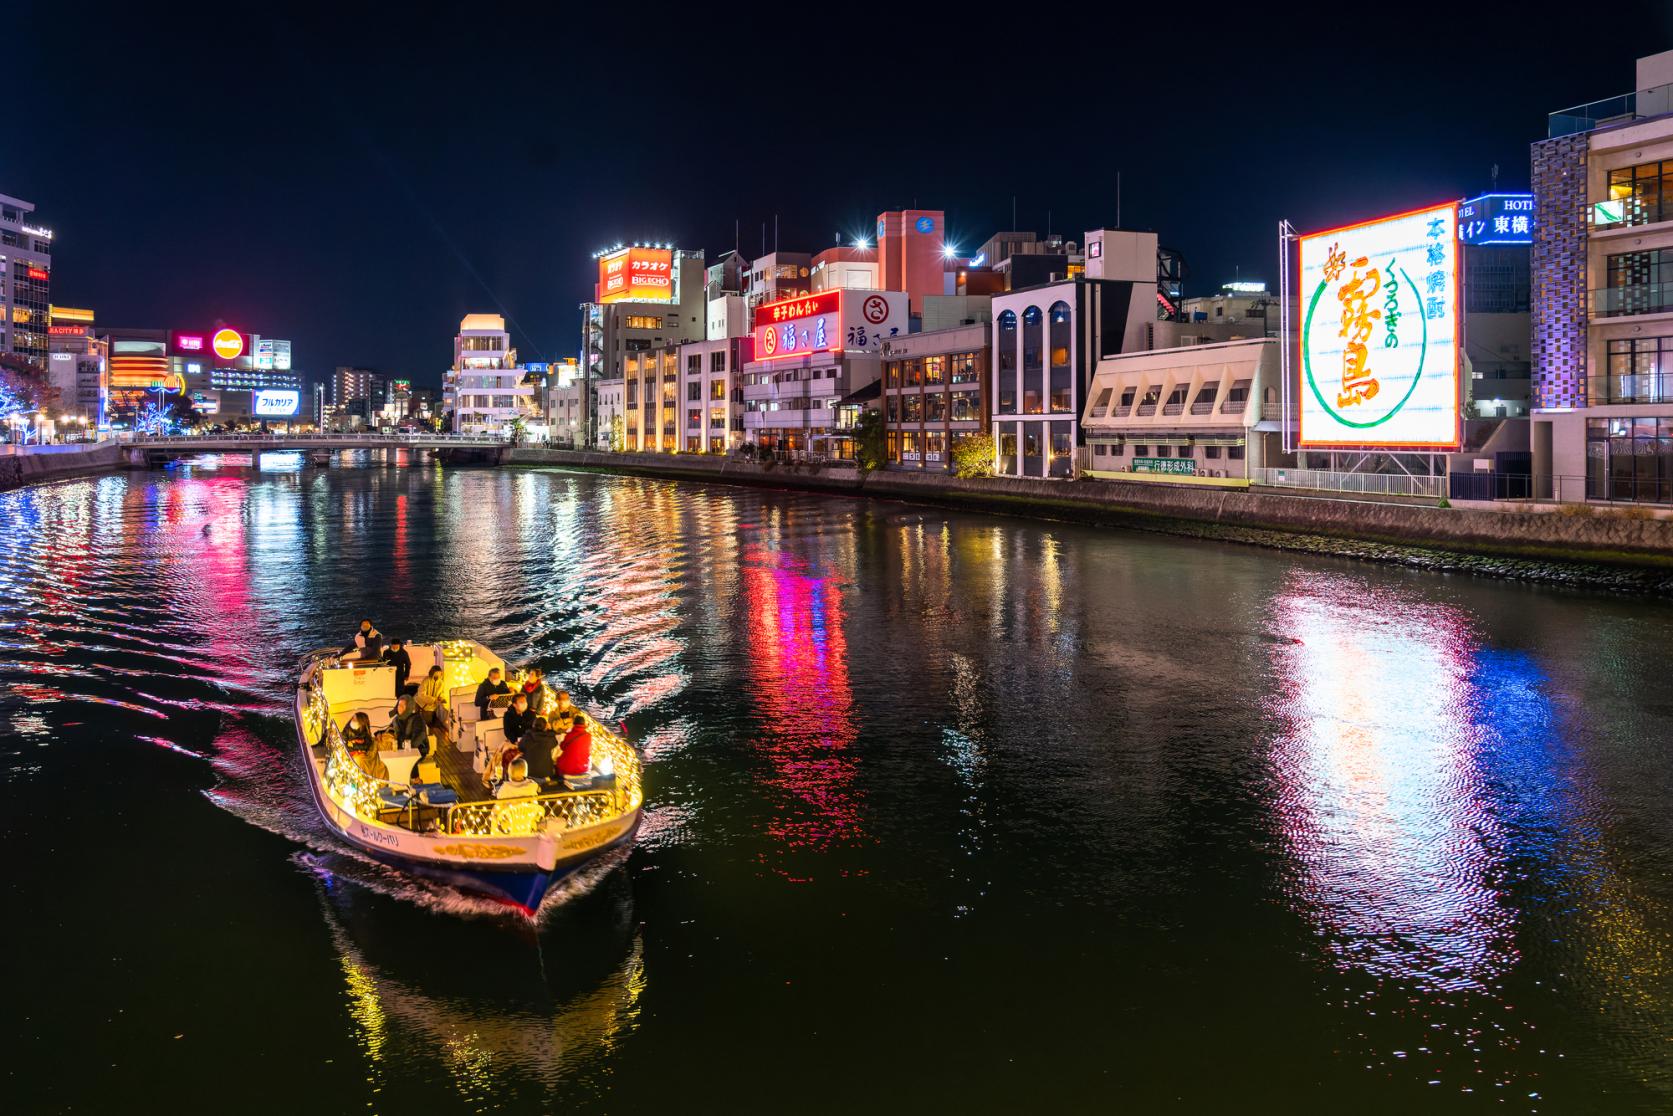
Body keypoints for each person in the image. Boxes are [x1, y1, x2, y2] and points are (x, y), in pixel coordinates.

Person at [520, 715, 561, 783]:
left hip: (529, 771)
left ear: (533, 725)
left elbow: (520, 747)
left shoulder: (527, 737)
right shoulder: (549, 738)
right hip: (544, 772)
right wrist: (550, 729)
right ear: (546, 726)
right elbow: (555, 743)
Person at [387, 694, 430, 760]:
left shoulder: (417, 719)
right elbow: (390, 730)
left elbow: (417, 739)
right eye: (399, 705)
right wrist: (382, 735)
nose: (399, 708)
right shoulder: (396, 720)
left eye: (402, 706)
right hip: (401, 750)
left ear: (409, 707)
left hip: (418, 751)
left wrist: (403, 747)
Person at [414, 665, 452, 736]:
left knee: (428, 723)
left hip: (430, 707)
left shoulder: (441, 683)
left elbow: (441, 693)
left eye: (439, 673)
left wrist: (441, 698)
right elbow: (421, 694)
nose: (438, 675)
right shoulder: (426, 681)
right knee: (417, 722)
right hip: (420, 704)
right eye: (436, 673)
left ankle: (427, 738)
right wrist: (434, 699)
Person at [557, 711, 593, 782]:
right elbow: (588, 751)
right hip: (582, 768)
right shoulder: (588, 736)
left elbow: (562, 747)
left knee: (558, 762)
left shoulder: (570, 735)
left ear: (574, 724)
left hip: (567, 769)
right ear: (584, 724)